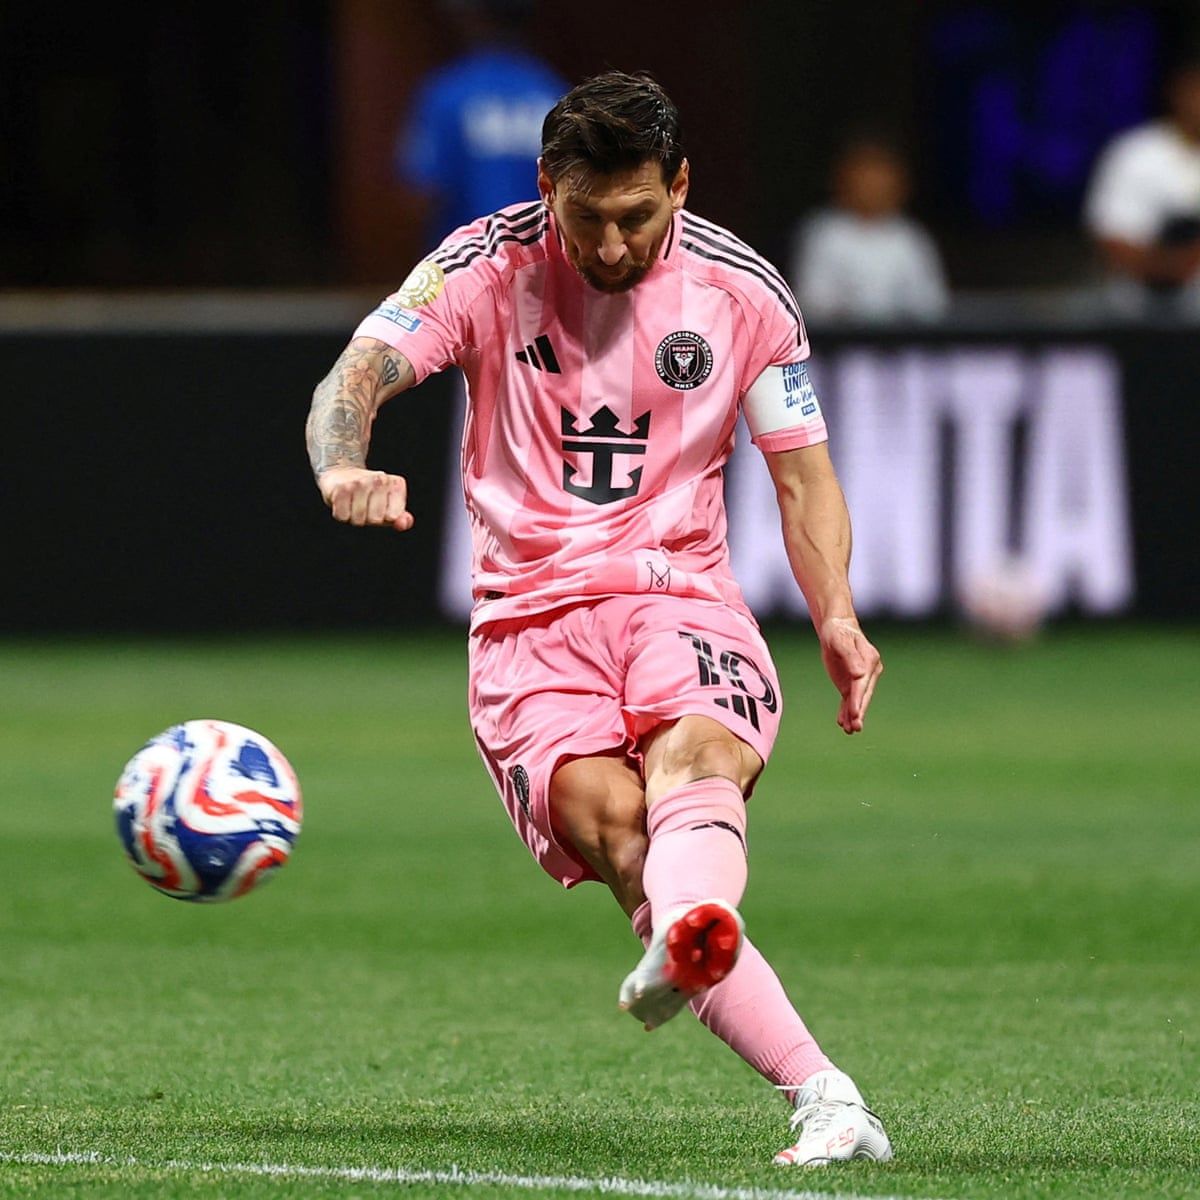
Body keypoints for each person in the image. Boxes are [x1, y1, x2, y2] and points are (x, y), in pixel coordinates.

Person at [307, 70, 892, 1168]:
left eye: (638, 216)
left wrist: (839, 619)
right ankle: (822, 1086)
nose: (614, 245)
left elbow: (803, 478)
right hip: (528, 627)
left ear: (680, 184)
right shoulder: (484, 265)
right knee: (623, 833)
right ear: (548, 187)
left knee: (699, 757)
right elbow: (359, 370)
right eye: (589, 217)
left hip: (681, 594)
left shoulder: (743, 292)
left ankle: (693, 941)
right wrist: (346, 463)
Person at [395, 0, 567, 243]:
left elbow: (419, 196)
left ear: (472, 18)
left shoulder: (448, 93)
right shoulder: (554, 92)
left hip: (464, 266)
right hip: (540, 265)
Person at [1083, 57, 1200, 319]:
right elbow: (1112, 236)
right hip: (1136, 315)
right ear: (1178, 91)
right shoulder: (1136, 153)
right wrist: (1179, 264)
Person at [790, 136, 948, 324]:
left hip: (901, 349)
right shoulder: (823, 233)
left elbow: (931, 305)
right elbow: (812, 303)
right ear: (843, 179)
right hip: (838, 349)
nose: (873, 186)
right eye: (865, 175)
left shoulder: (912, 238)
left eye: (881, 176)